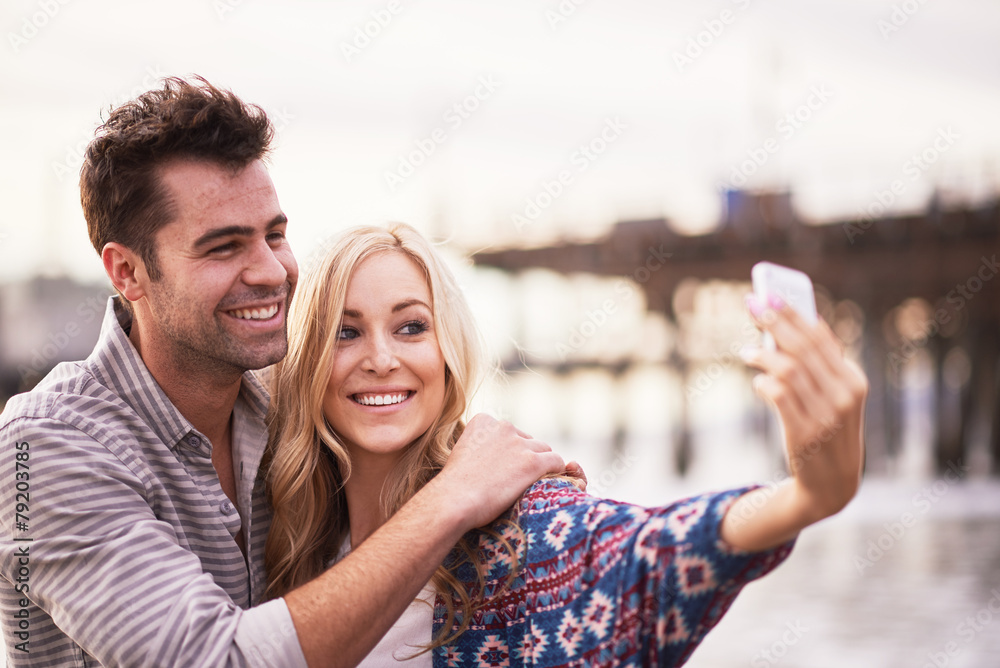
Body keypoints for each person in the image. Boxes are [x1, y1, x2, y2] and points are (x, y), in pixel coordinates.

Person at [0, 78, 570, 667]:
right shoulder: (45, 448)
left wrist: (515, 482)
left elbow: (397, 422)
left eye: (275, 235)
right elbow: (219, 661)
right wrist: (456, 497)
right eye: (224, 247)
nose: (271, 272)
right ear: (127, 273)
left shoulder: (282, 400)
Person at [264, 223, 868, 667]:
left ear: (448, 353)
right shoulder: (280, 544)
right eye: (346, 332)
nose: (381, 358)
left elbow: (650, 549)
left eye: (411, 326)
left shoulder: (517, 526)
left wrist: (807, 497)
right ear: (307, 356)